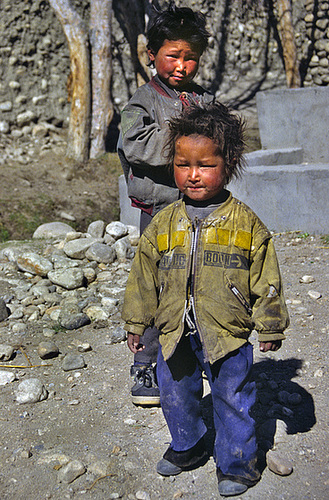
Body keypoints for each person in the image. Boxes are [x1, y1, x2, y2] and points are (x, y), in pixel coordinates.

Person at [122, 102, 290, 497]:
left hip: (227, 333)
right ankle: (188, 445)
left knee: (233, 398)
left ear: (228, 164)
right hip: (174, 331)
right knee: (175, 393)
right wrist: (136, 321)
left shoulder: (246, 223)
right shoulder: (164, 221)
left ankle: (237, 463)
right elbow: (143, 277)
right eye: (183, 164)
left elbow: (266, 277)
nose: (192, 175)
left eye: (205, 165)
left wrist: (270, 322)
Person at [117, 1, 214, 406]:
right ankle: (146, 363)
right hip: (160, 213)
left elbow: (225, 144)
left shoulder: (205, 100)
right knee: (155, 288)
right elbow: (136, 144)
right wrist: (186, 143)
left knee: (202, 282)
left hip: (203, 212)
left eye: (190, 58)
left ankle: (200, 352)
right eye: (173, 55)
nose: (182, 65)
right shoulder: (144, 100)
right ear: (153, 54)